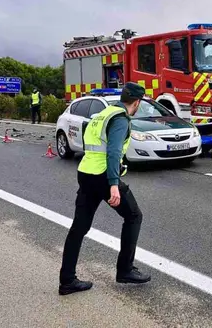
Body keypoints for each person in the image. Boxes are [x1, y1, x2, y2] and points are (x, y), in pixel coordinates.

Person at [59, 82, 150, 296]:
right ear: (137, 102)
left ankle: (67, 280)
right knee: (134, 216)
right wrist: (114, 184)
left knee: (79, 228)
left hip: (86, 172)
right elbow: (113, 152)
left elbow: (90, 143)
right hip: (103, 176)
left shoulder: (102, 114)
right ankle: (125, 270)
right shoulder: (120, 119)